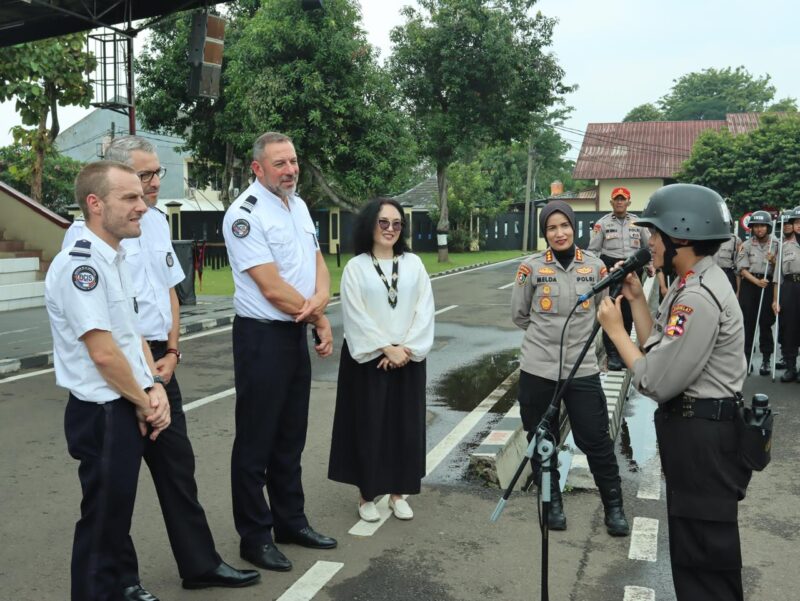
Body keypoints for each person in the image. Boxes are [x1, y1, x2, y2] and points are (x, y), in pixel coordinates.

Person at [62, 138, 259, 599]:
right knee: (113, 496)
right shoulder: (87, 248)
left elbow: (168, 289)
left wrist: (171, 354)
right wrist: (143, 389)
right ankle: (122, 582)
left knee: (177, 471)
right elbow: (104, 344)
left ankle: (200, 564)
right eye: (140, 181)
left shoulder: (148, 224)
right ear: (108, 189)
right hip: (121, 379)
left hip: (153, 363)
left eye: (153, 177)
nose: (150, 189)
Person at [597, 183, 753, 601]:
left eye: (654, 233)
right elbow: (659, 350)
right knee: (693, 552)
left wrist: (615, 330)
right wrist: (637, 303)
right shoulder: (691, 282)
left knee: (704, 561)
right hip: (697, 436)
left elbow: (655, 380)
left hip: (703, 438)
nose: (649, 242)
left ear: (679, 236)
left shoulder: (697, 297)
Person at [45, 161, 172, 600]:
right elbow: (102, 352)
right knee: (101, 524)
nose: (143, 206)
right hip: (102, 412)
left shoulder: (112, 257)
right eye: (131, 198)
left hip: (125, 401)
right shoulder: (82, 266)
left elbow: (131, 334)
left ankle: (123, 588)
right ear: (95, 205)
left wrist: (155, 386)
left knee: (116, 515)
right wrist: (142, 399)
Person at [223, 132, 336, 573]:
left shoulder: (299, 205)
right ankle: (254, 536)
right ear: (257, 168)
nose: (290, 170)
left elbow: (317, 263)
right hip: (261, 336)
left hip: (293, 332)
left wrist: (321, 304)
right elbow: (269, 287)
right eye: (279, 164)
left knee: (291, 436)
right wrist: (319, 318)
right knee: (256, 441)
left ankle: (291, 521)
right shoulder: (244, 216)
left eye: (293, 161)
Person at [512, 200, 630, 536]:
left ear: (574, 228)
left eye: (564, 226)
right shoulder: (530, 268)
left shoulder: (594, 266)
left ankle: (614, 508)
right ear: (544, 233)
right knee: (541, 439)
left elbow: (604, 312)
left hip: (582, 371)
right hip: (538, 370)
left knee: (596, 441)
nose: (559, 233)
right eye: (552, 227)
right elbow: (520, 316)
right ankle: (552, 504)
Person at [328, 198, 435, 522]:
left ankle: (398, 493)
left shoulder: (414, 264)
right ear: (370, 225)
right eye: (383, 222)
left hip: (408, 358)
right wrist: (384, 348)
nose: (390, 229)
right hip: (369, 362)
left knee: (405, 428)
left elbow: (424, 308)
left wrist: (405, 349)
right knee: (369, 426)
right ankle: (366, 496)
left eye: (397, 223)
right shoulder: (356, 267)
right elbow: (355, 314)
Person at [588, 187, 652, 370]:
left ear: (629, 202)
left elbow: (647, 249)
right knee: (611, 310)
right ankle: (612, 355)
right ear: (611, 202)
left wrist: (650, 266)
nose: (619, 202)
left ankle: (624, 353)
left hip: (632, 269)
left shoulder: (638, 223)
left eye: (623, 199)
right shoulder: (602, 224)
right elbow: (593, 251)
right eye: (616, 199)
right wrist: (596, 272)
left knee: (629, 312)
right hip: (611, 269)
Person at [736, 210, 778, 375]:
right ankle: (746, 359)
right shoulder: (745, 245)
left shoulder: (776, 244)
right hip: (751, 285)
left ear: (768, 227)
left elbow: (780, 269)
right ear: (752, 228)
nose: (759, 229)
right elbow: (742, 269)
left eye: (762, 226)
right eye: (756, 226)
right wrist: (756, 281)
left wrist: (773, 260)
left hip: (768, 285)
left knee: (766, 323)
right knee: (748, 323)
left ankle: (766, 360)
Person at [772, 207, 800, 381]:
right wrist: (775, 299)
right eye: (796, 222)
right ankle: (790, 367)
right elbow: (777, 277)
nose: (799, 225)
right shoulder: (784, 246)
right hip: (790, 288)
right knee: (789, 327)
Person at [712, 227, 742, 293]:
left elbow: (738, 265)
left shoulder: (735, 239)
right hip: (711, 274)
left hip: (728, 274)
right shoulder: (709, 238)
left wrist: (738, 291)